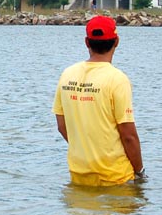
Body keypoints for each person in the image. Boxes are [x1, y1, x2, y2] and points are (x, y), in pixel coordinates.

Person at [52, 15, 144, 186]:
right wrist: (140, 172)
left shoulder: (67, 74)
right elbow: (128, 135)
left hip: (79, 174)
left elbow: (61, 126)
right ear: (116, 41)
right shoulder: (117, 79)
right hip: (115, 176)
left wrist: (85, 151)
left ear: (87, 42)